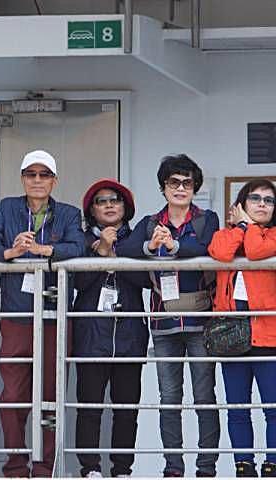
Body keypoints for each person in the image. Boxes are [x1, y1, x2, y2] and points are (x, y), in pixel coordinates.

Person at [116, 154, 220, 477]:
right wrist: (150, 246)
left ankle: (206, 469)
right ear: (163, 187)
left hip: (201, 319)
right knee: (169, 399)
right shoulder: (150, 223)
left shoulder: (207, 219)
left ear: (195, 187)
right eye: (174, 182)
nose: (181, 188)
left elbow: (209, 247)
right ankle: (173, 468)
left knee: (204, 397)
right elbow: (124, 249)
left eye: (187, 182)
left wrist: (175, 247)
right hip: (164, 321)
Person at [0, 150, 83, 477]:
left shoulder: (68, 213)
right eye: (31, 174)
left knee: (51, 395)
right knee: (12, 396)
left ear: (54, 180)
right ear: (22, 178)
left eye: (44, 175)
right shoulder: (7, 207)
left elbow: (77, 246)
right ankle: (15, 466)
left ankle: (44, 468)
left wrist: (43, 250)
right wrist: (11, 252)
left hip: (54, 315)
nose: (37, 180)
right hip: (16, 313)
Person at [72, 179, 149, 478]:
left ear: (125, 207)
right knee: (89, 408)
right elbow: (78, 283)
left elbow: (147, 280)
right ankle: (90, 468)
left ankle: (122, 470)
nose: (108, 205)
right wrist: (100, 253)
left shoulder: (138, 238)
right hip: (91, 335)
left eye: (114, 200)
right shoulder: (80, 239)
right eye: (101, 201)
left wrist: (119, 256)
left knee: (127, 410)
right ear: (92, 210)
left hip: (130, 335)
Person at [208, 179, 276, 478]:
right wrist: (243, 226)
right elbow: (222, 253)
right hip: (231, 333)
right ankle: (244, 466)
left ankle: (272, 465)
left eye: (269, 200)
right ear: (242, 204)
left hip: (268, 332)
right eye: (255, 198)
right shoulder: (228, 234)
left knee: (273, 407)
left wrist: (247, 226)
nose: (262, 204)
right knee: (237, 407)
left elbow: (256, 251)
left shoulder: (273, 235)